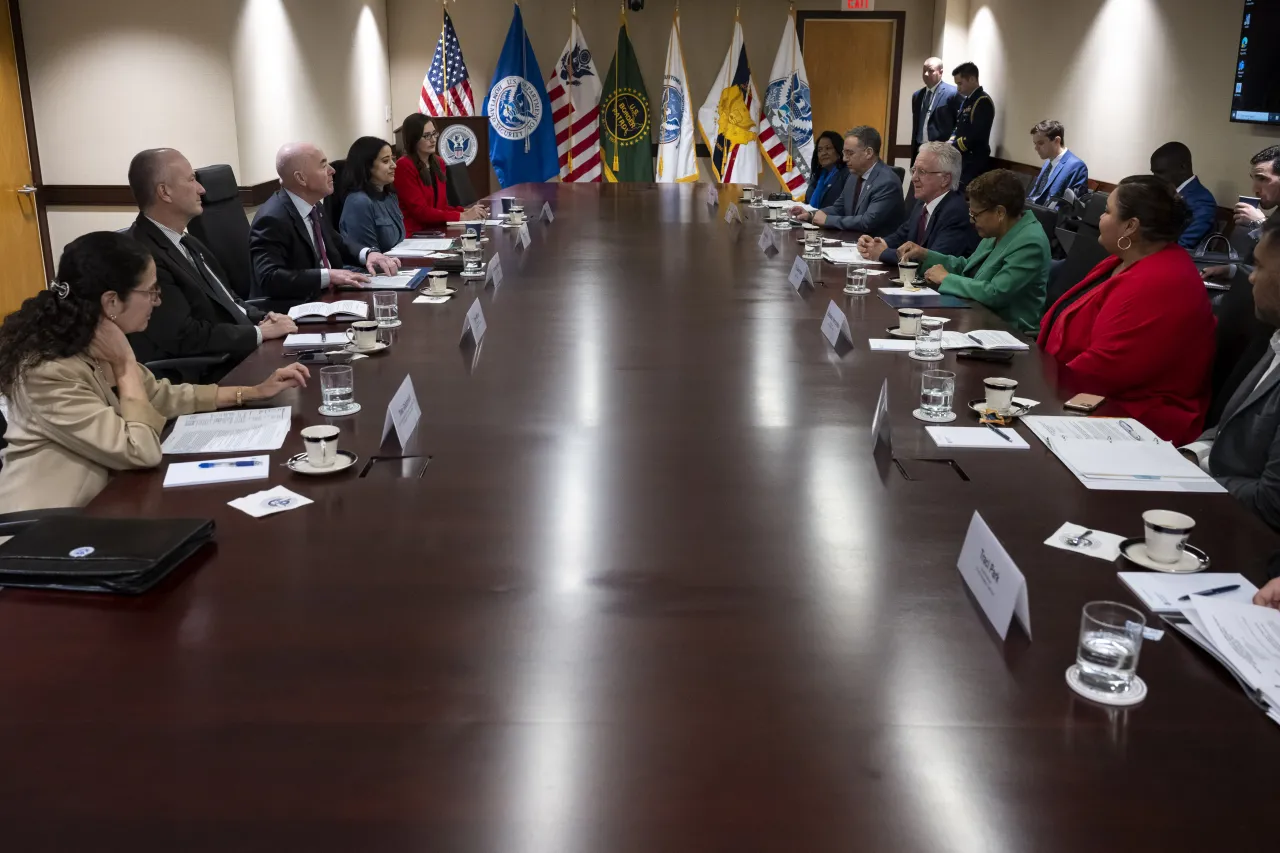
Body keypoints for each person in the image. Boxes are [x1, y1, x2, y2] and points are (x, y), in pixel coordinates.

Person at [0, 232, 309, 512]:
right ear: (111, 302)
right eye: (150, 291)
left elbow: (161, 395)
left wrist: (253, 392)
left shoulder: (93, 341)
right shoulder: (48, 372)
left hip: (112, 504)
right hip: (49, 535)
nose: (157, 301)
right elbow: (140, 451)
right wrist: (124, 365)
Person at [1039, 176, 1215, 445]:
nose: (1100, 217)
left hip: (1134, 420)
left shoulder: (1161, 280)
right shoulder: (1123, 261)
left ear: (1131, 226)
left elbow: (1106, 368)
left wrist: (1037, 384)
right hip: (1083, 395)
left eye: (1108, 211)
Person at [125, 148, 296, 382]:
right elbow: (183, 336)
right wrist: (258, 332)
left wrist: (266, 317)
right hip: (209, 373)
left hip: (240, 351)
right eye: (191, 179)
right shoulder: (143, 256)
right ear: (164, 192)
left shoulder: (189, 241)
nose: (202, 189)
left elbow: (230, 299)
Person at [1181, 217, 1280, 531]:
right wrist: (1189, 456)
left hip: (1245, 535)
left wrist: (1188, 479)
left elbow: (1271, 501)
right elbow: (1225, 430)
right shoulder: (1275, 340)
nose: (1250, 279)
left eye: (1260, 267)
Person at [897, 169, 1049, 335]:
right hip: (978, 320)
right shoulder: (997, 230)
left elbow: (996, 293)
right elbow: (967, 268)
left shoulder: (1030, 241)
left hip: (1009, 334)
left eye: (975, 214)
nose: (971, 220)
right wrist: (925, 254)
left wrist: (946, 278)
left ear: (999, 212)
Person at [249, 142, 399, 307]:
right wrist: (328, 276)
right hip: (294, 309)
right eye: (323, 166)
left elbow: (338, 243)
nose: (332, 170)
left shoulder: (313, 206)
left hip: (327, 299)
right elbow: (270, 278)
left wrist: (368, 254)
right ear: (301, 178)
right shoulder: (273, 218)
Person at [856, 142, 977, 265]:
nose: (914, 178)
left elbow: (932, 260)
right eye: (914, 170)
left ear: (945, 179)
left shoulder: (955, 212)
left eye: (922, 172)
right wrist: (876, 244)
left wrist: (882, 253)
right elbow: (902, 235)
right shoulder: (922, 203)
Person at [788, 126, 904, 236]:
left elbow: (867, 222)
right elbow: (839, 208)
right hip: (851, 242)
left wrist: (827, 220)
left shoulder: (887, 182)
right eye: (844, 153)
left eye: (850, 153)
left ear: (868, 153)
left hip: (876, 249)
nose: (844, 158)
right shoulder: (853, 176)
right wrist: (810, 215)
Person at [395, 114, 488, 235]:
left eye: (434, 134)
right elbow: (421, 212)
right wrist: (462, 216)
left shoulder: (438, 162)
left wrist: (467, 210)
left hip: (437, 231)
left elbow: (441, 207)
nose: (433, 139)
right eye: (426, 136)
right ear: (414, 139)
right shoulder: (404, 166)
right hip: (416, 234)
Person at [338, 136, 406, 253]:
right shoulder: (359, 202)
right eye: (386, 161)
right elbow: (369, 255)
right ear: (367, 166)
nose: (394, 165)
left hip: (397, 264)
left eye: (392, 159)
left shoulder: (390, 196)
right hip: (373, 269)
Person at [1150, 141, 1217, 251]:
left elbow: (1182, 245)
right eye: (1154, 173)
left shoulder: (1203, 201)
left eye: (1161, 172)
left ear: (1183, 168)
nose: (1155, 178)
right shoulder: (1160, 192)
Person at [947, 62, 994, 189]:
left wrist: (954, 146)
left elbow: (975, 135)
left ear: (972, 79)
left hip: (974, 160)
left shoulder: (982, 101)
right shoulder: (967, 101)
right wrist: (949, 143)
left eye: (960, 83)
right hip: (963, 158)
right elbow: (958, 128)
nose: (958, 88)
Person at [1026, 120, 1088, 206]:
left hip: (1048, 217)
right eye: (1035, 144)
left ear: (1057, 141)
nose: (1036, 148)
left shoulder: (1077, 166)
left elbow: (1071, 208)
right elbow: (1035, 194)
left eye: (1040, 143)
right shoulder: (1048, 163)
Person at [910, 57, 960, 162]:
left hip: (941, 152)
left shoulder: (952, 93)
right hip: (919, 149)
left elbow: (959, 123)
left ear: (940, 72)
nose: (926, 74)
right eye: (924, 71)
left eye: (931, 71)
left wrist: (951, 143)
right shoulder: (917, 95)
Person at [804, 131, 849, 209]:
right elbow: (807, 201)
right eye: (820, 150)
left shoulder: (847, 174)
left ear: (839, 151)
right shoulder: (817, 176)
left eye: (828, 148)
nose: (823, 153)